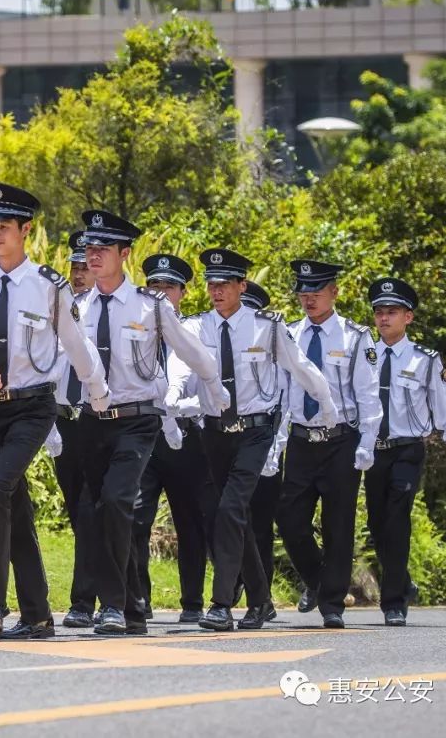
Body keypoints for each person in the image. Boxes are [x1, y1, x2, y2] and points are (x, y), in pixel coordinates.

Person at [0, 184, 111, 641]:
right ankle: (38, 615)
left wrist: (99, 395)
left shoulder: (48, 287)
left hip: (33, 406)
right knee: (13, 508)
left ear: (26, 229)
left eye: (4, 226)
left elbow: (76, 345)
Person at [169, 248, 335, 632]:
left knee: (229, 510)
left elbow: (300, 366)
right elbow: (181, 365)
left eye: (225, 283)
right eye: (211, 284)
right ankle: (260, 601)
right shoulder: (197, 327)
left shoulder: (267, 326)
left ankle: (221, 604)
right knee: (231, 515)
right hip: (214, 431)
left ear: (242, 286)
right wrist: (175, 394)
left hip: (255, 431)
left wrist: (326, 401)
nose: (216, 291)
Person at [77, 218, 226, 636]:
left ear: (125, 254)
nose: (93, 255)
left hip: (137, 419)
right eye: (90, 247)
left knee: (118, 500)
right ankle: (134, 605)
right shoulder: (77, 306)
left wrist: (213, 384)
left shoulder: (151, 306)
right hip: (92, 421)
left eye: (104, 248)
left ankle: (112, 604)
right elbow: (57, 357)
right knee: (104, 510)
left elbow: (189, 348)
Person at [270, 260, 381, 630]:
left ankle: (331, 603)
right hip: (302, 439)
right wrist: (277, 441)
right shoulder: (288, 334)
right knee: (289, 519)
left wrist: (367, 441)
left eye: (316, 292)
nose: (309, 299)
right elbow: (284, 392)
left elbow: (367, 393)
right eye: (303, 292)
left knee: (339, 523)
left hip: (340, 441)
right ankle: (318, 580)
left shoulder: (355, 337)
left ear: (334, 292)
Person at [366, 278, 446, 626]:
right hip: (373, 451)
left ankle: (394, 602)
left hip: (407, 451)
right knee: (377, 525)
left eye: (391, 312)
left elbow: (444, 409)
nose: (383, 319)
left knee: (396, 521)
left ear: (408, 317)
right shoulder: (364, 356)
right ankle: (403, 580)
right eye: (379, 312)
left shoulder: (425, 360)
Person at [130, 253, 210, 625]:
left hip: (186, 437)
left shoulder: (194, 333)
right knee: (136, 518)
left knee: (190, 520)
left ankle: (192, 601)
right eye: (154, 286)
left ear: (183, 293)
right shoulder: (134, 326)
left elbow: (209, 385)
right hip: (144, 433)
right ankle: (139, 599)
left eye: (168, 287)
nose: (160, 293)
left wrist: (180, 406)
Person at [52, 230, 103, 629]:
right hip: (63, 420)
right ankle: (123, 591)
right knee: (79, 513)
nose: (79, 274)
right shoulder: (56, 306)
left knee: (91, 512)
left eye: (86, 266)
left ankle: (84, 601)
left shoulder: (104, 309)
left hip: (97, 419)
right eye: (74, 266)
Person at [237, 280, 281, 610]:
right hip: (228, 442)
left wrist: (276, 449)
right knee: (231, 516)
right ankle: (240, 579)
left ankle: (261, 593)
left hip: (265, 442)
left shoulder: (273, 346)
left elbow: (285, 402)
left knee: (261, 524)